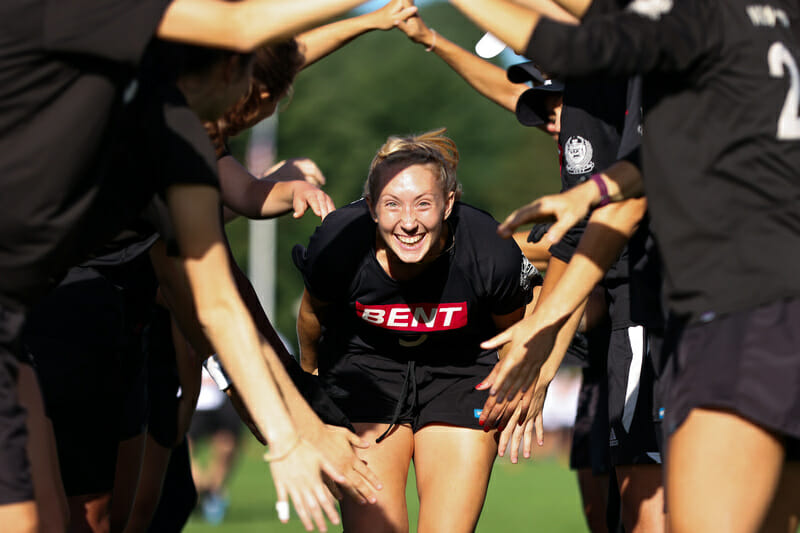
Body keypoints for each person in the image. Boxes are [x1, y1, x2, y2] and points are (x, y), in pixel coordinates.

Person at [0, 2, 393, 530]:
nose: (254, 113)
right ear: (233, 72)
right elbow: (241, 28)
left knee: (40, 523)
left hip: (14, 321)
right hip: (48, 317)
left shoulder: (183, 144)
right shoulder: (77, 31)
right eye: (259, 97)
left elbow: (218, 303)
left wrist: (288, 437)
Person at [449, 1, 800, 532]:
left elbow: (571, 43)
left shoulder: (701, 21)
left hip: (738, 311)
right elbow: (660, 158)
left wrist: (543, 330)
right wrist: (598, 189)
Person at [293, 128, 538, 532]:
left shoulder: (488, 247)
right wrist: (310, 383)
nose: (408, 222)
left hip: (461, 374)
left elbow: (512, 334)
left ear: (448, 204)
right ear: (371, 207)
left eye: (423, 204)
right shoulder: (338, 242)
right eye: (392, 205)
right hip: (364, 373)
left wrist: (521, 386)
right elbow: (311, 316)